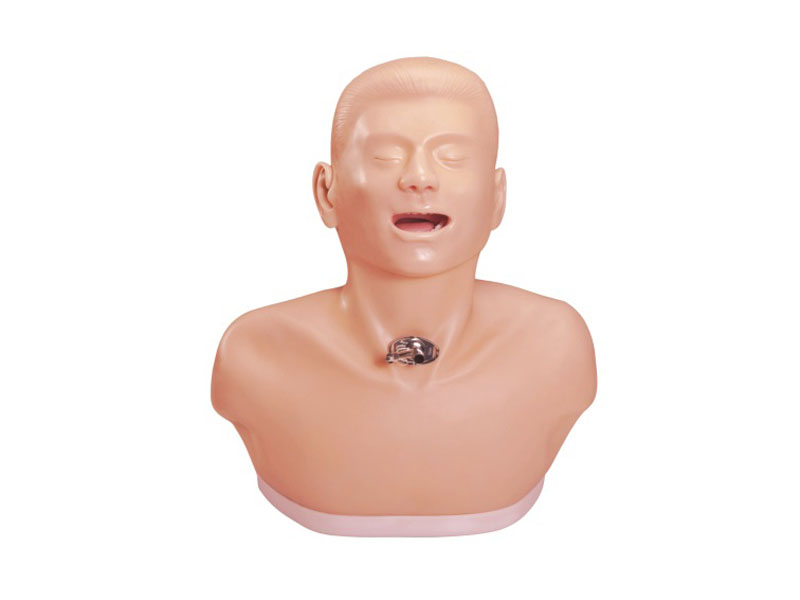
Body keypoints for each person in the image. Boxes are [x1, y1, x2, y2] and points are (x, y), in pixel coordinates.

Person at [211, 56, 597, 536]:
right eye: (385, 156)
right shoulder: (256, 353)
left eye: (451, 157)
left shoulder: (555, 346)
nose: (419, 177)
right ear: (327, 192)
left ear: (496, 197)